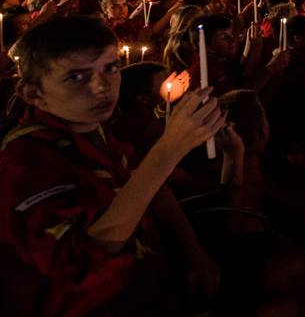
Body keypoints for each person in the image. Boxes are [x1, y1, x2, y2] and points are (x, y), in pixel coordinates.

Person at [0, 16, 225, 315]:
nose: (102, 87)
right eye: (76, 77)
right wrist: (168, 151)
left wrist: (195, 255)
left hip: (152, 280)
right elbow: (81, 262)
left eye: (110, 68)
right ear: (32, 93)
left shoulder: (93, 126)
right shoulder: (24, 163)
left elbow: (146, 190)